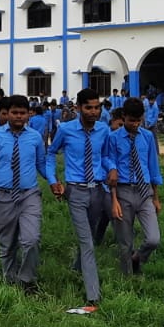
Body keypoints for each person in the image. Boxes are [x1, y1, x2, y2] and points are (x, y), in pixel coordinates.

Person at [0, 95, 60, 293]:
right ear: (7, 113)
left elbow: (41, 164)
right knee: (7, 244)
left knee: (31, 239)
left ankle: (27, 280)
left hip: (29, 195)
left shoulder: (35, 137)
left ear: (29, 114)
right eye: (15, 112)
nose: (19, 116)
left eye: (23, 113)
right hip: (1, 196)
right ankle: (10, 280)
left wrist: (53, 181)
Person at [48, 88, 113, 310]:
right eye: (89, 108)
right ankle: (93, 296)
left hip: (98, 190)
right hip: (75, 191)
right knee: (87, 242)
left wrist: (112, 168)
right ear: (78, 108)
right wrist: (52, 180)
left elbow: (105, 156)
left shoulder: (103, 130)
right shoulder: (66, 130)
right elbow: (51, 153)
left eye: (97, 108)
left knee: (90, 235)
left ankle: (77, 267)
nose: (94, 112)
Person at [107, 99, 163, 276]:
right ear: (124, 117)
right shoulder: (113, 138)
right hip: (123, 191)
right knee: (125, 242)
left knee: (153, 239)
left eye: (139, 120)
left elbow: (153, 167)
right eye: (132, 120)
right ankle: (128, 278)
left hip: (144, 191)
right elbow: (110, 168)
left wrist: (156, 197)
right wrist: (114, 200)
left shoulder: (147, 137)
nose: (135, 124)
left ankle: (137, 258)